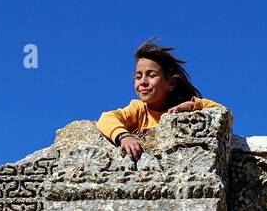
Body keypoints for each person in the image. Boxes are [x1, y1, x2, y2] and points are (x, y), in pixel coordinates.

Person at [96, 40, 225, 161]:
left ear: (171, 84)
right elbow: (106, 118)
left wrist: (194, 105)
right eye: (138, 76)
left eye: (151, 75)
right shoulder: (139, 109)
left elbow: (221, 111)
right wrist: (124, 136)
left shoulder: (182, 111)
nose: (143, 82)